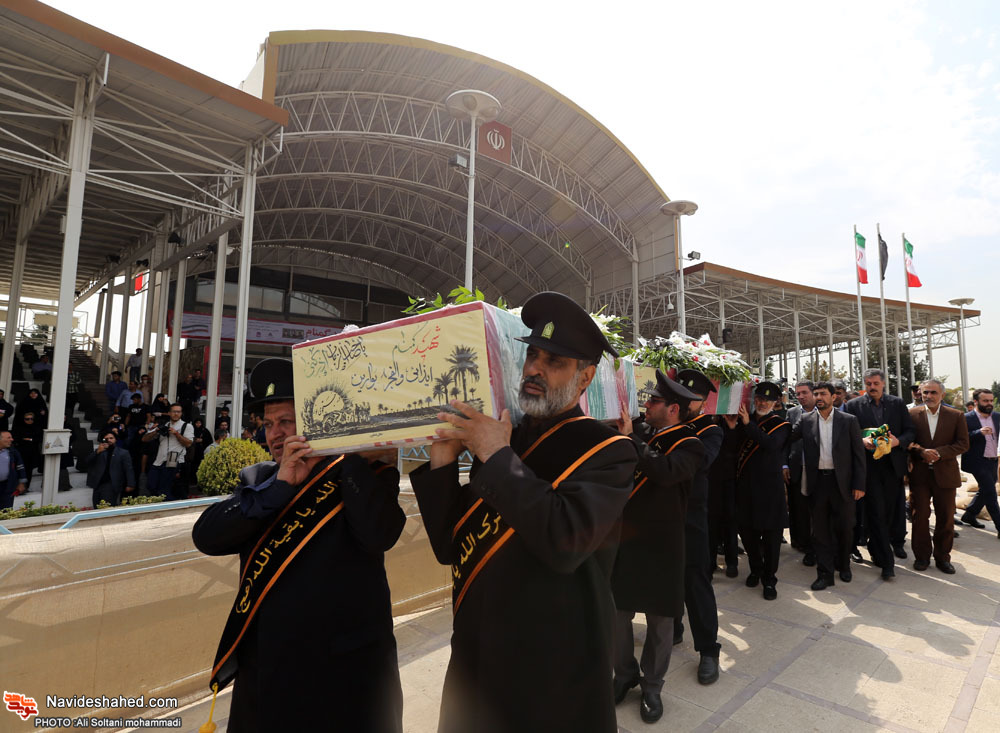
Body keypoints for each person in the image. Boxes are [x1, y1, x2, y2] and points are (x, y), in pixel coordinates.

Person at [410, 291, 638, 733]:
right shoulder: (504, 436)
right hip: (475, 660)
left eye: (554, 361)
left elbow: (565, 542)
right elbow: (449, 548)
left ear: (585, 377)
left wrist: (495, 454)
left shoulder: (609, 451)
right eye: (532, 355)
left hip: (551, 674)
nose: (534, 368)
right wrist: (442, 462)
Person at [192, 358, 405, 732]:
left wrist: (349, 455)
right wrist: (279, 488)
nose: (274, 434)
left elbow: (380, 535)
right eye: (268, 424)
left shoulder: (362, 472)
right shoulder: (259, 481)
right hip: (269, 679)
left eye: (286, 422)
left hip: (346, 681)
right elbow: (205, 536)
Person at [611, 372, 704, 722]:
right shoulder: (643, 433)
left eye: (654, 401)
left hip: (664, 543)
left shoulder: (690, 444)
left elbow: (665, 471)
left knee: (661, 621)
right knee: (616, 613)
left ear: (673, 409)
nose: (646, 405)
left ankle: (652, 685)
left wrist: (631, 439)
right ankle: (624, 674)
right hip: (627, 539)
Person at [672, 368, 724, 686]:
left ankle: (708, 649)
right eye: (680, 395)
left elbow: (699, 462)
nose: (684, 402)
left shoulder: (710, 431)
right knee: (666, 574)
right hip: (661, 514)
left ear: (703, 402)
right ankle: (673, 627)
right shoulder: (664, 422)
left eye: (691, 398)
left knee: (696, 581)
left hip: (692, 515)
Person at [787, 382, 866, 590]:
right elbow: (786, 437)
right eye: (816, 394)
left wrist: (859, 484)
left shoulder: (848, 420)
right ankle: (825, 574)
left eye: (823, 394)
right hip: (818, 483)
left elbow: (859, 455)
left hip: (843, 484)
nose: (819, 397)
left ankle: (844, 565)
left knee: (845, 527)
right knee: (820, 531)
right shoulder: (806, 420)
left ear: (833, 397)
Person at [844, 368, 915, 579]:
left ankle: (878, 550)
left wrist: (898, 442)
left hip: (892, 467)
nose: (872, 387)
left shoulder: (897, 404)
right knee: (876, 512)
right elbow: (848, 434)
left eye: (875, 383)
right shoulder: (854, 405)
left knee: (890, 513)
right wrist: (862, 440)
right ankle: (887, 563)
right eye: (868, 384)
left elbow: (910, 431)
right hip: (869, 467)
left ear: (883, 383)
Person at [730, 381, 790, 600]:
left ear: (775, 403)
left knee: (772, 538)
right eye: (759, 399)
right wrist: (733, 426)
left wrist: (748, 424)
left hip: (770, 491)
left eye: (768, 400)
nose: (763, 403)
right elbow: (733, 448)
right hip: (746, 488)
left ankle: (769, 578)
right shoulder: (744, 420)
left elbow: (771, 445)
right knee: (748, 534)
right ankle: (755, 569)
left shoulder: (781, 425)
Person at [907, 379, 970, 573]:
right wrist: (921, 451)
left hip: (946, 475)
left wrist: (939, 453)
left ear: (942, 395)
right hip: (920, 475)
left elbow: (963, 443)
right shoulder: (912, 414)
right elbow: (907, 441)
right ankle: (922, 557)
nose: (929, 396)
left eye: (933, 392)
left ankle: (943, 558)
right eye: (925, 392)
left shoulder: (956, 415)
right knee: (919, 518)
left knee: (946, 519)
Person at [784, 380, 816, 566]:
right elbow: (785, 441)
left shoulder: (824, 412)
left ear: (813, 393)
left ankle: (815, 543)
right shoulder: (792, 413)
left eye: (804, 393)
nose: (801, 396)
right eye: (798, 393)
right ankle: (800, 541)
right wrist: (784, 465)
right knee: (798, 508)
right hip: (797, 467)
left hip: (819, 470)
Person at [959, 389, 1000, 535]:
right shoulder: (965, 418)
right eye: (985, 401)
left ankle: (970, 514)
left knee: (985, 490)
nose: (989, 403)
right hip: (976, 461)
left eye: (991, 400)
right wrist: (978, 433)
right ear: (976, 402)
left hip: (993, 460)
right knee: (990, 493)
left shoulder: (997, 416)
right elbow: (960, 439)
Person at [142, 402, 194, 501]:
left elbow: (188, 444)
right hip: (159, 460)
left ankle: (167, 504)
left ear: (181, 413)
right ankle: (162, 502)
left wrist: (176, 434)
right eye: (174, 411)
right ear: (169, 413)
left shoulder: (186, 426)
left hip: (174, 460)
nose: (176, 414)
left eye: (178, 412)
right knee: (150, 485)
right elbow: (144, 439)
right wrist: (156, 431)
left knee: (164, 488)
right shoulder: (164, 424)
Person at [80, 431, 136, 506]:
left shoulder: (123, 453)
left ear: (115, 439)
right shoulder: (99, 451)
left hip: (112, 484)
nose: (109, 440)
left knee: (107, 506)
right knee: (96, 506)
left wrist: (131, 484)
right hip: (97, 484)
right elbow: (87, 461)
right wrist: (97, 452)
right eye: (106, 438)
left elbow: (129, 469)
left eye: (111, 438)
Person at [12, 411, 41, 489]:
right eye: (27, 419)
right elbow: (16, 438)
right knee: (19, 469)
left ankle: (26, 487)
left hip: (32, 453)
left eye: (31, 419)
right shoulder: (19, 428)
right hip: (21, 453)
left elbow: (39, 438)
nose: (29, 420)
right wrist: (25, 440)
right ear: (23, 419)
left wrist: (30, 439)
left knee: (29, 470)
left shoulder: (36, 427)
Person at [0, 430, 27, 509]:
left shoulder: (13, 452)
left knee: (7, 510)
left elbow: (20, 467)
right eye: (9, 438)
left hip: (7, 486)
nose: (12, 439)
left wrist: (21, 483)